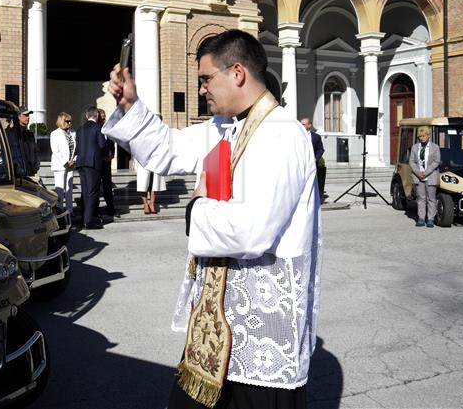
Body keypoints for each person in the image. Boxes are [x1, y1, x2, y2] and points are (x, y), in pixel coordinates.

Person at [103, 29, 321, 409]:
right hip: (214, 335)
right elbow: (168, 150)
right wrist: (130, 105)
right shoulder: (225, 128)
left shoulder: (281, 134)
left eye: (207, 79)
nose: (202, 89)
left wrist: (196, 208)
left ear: (237, 72)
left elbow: (252, 232)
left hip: (261, 341)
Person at [75, 106, 107, 229]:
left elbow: (78, 148)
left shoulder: (80, 129)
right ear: (97, 116)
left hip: (81, 162)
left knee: (85, 191)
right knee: (93, 192)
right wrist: (105, 154)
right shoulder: (98, 127)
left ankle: (84, 218)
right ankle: (88, 221)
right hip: (93, 163)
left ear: (86, 116)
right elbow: (102, 145)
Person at [409, 126, 440, 228]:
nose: (421, 138)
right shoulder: (415, 147)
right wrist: (418, 172)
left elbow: (436, 161)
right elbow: (411, 161)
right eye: (419, 136)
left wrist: (426, 172)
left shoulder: (435, 147)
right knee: (421, 198)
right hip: (418, 176)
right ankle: (421, 218)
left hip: (430, 176)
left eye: (423, 136)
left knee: (431, 198)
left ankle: (430, 219)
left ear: (428, 135)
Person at [50, 112, 76, 214]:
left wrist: (73, 160)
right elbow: (55, 150)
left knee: (69, 190)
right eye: (67, 121)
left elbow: (76, 148)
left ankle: (70, 210)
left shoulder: (72, 133)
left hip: (71, 164)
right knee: (60, 190)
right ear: (61, 121)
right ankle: (60, 210)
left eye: (70, 121)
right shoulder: (55, 133)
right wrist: (65, 162)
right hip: (60, 165)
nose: (69, 123)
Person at [97, 108, 117, 217]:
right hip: (97, 162)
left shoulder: (108, 128)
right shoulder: (95, 128)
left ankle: (110, 208)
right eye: (102, 114)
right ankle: (95, 209)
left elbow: (111, 143)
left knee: (107, 187)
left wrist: (111, 155)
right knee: (95, 187)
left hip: (107, 163)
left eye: (104, 114)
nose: (104, 116)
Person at [301, 118, 326, 198]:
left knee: (311, 183)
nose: (302, 126)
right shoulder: (297, 136)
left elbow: (320, 149)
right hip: (300, 164)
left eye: (304, 124)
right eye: (301, 124)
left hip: (312, 164)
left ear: (309, 125)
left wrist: (316, 159)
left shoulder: (316, 137)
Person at [16, 106, 41, 176]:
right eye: (25, 115)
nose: (28, 117)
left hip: (30, 172)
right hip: (18, 173)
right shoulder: (14, 133)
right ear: (19, 117)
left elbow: (36, 151)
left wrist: (35, 167)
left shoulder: (29, 134)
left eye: (28, 115)